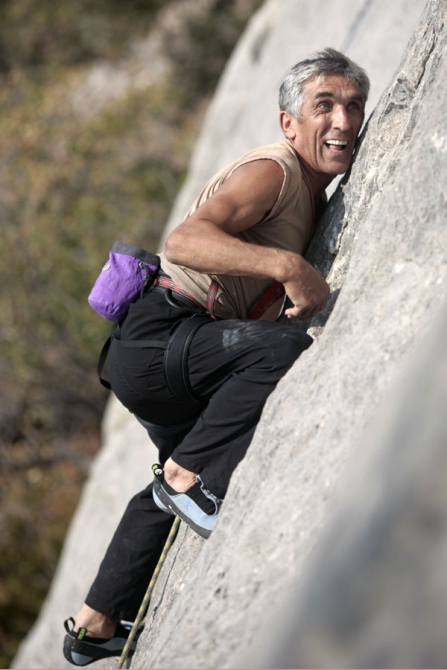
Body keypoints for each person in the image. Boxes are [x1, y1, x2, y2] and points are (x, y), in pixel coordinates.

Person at [63, 47, 369, 666]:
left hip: (155, 352)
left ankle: (94, 625)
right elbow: (183, 239)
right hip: (161, 336)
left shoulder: (305, 186)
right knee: (279, 352)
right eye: (324, 105)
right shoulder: (274, 171)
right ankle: (187, 479)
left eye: (353, 106)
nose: (342, 120)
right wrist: (288, 265)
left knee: (173, 473)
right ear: (289, 123)